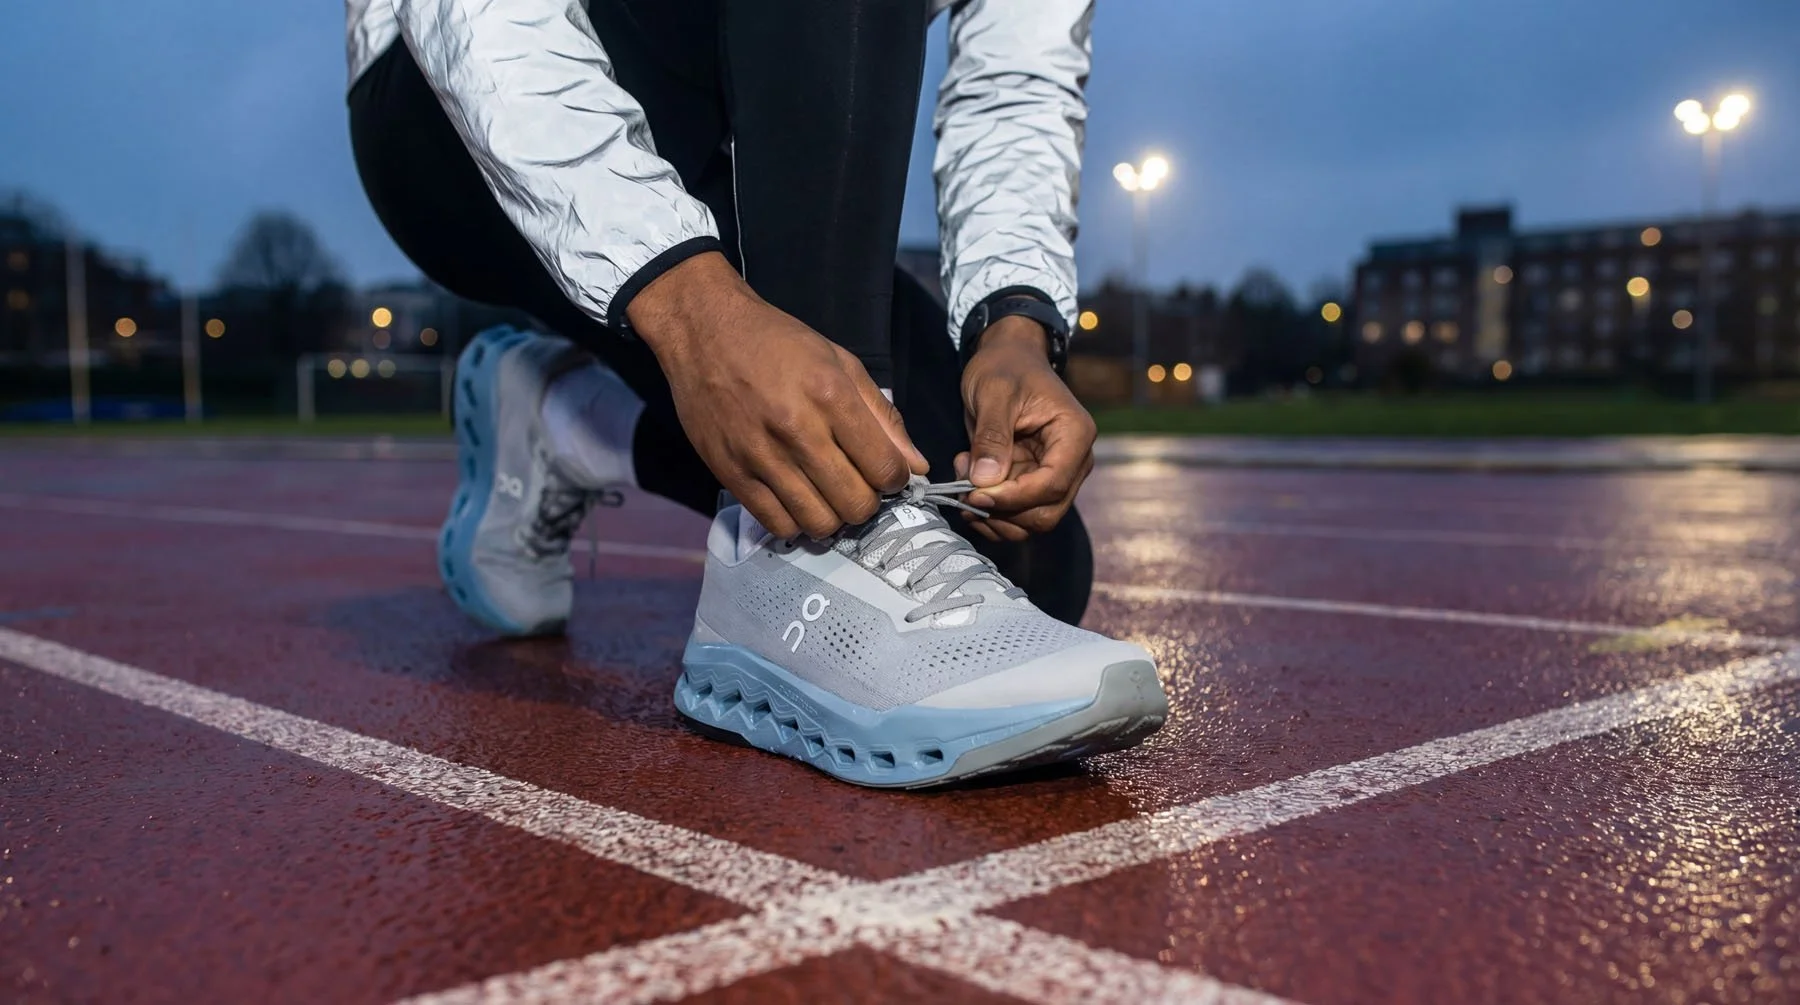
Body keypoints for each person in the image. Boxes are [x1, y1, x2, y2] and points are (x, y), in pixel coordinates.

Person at [345, 0, 1167, 787]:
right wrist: (690, 306)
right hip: (462, 102)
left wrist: (1013, 326)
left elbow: (1016, 83)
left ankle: (570, 419)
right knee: (902, 553)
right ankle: (817, 559)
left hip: (728, 169)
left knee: (1033, 559)